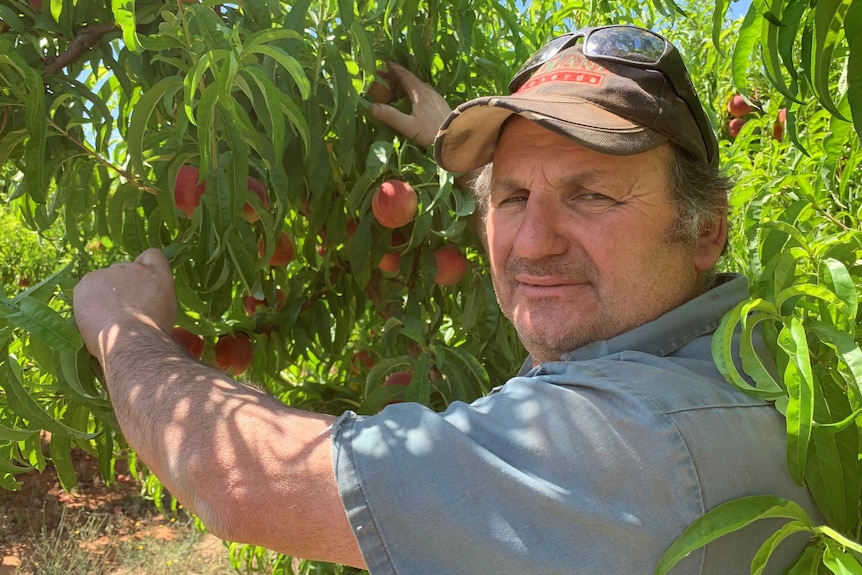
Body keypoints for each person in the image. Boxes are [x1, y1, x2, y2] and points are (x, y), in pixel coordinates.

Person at [74, 25, 819, 574]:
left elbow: (239, 479)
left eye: (592, 193)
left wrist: (124, 326)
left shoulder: (626, 438)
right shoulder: (754, 355)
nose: (530, 242)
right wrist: (456, 148)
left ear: (706, 229)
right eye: (513, 196)